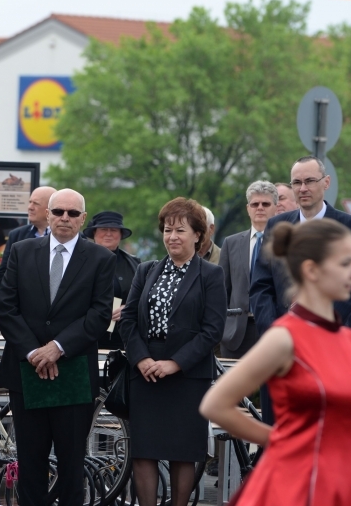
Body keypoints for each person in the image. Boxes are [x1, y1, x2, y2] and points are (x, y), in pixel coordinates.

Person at [200, 219, 351, 505]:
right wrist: (278, 440)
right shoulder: (284, 339)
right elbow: (216, 404)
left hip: (345, 486)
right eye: (346, 263)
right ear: (312, 270)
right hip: (293, 486)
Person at [0, 188, 114, 506]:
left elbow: (100, 314)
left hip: (73, 372)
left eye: (73, 213)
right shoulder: (21, 251)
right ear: (47, 214)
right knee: (30, 463)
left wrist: (58, 348)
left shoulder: (101, 259)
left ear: (83, 219)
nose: (65, 218)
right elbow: (7, 308)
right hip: (27, 369)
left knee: (72, 466)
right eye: (58, 211)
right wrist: (35, 351)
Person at [118, 197, 226, 506]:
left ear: (198, 235)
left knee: (183, 452)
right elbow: (128, 320)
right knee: (144, 450)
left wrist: (175, 364)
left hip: (188, 375)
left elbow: (212, 330)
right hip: (145, 372)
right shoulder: (147, 270)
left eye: (180, 230)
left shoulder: (210, 275)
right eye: (167, 230)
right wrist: (142, 359)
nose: (172, 237)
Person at [250, 155, 351, 424]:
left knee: (322, 434)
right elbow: (260, 286)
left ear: (326, 183)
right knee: (277, 434)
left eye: (310, 181)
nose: (303, 188)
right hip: (280, 350)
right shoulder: (276, 226)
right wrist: (277, 331)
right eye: (297, 182)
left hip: (327, 349)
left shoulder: (350, 229)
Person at [218, 181, 277, 358]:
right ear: (248, 208)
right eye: (255, 204)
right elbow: (222, 290)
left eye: (265, 204)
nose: (260, 208)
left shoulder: (286, 242)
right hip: (235, 334)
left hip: (272, 331)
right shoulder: (231, 243)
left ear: (275, 207)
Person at [84, 211, 141, 350]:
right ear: (94, 233)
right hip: (85, 337)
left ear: (121, 235)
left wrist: (128, 309)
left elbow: (145, 296)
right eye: (104, 229)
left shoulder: (135, 264)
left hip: (122, 339)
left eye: (113, 230)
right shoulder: (80, 260)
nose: (108, 234)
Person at [0, 185, 56, 286]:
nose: (30, 207)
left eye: (36, 203)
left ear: (49, 209)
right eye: (30, 202)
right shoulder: (16, 235)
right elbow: (4, 273)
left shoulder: (65, 236)